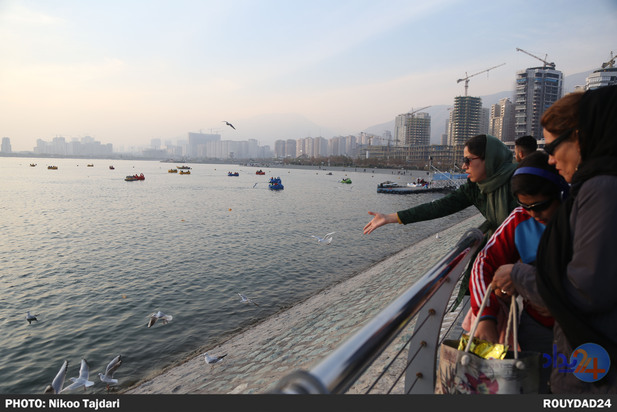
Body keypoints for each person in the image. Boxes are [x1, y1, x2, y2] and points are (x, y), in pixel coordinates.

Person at [492, 86, 617, 393]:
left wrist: (517, 275)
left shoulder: (601, 189)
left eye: (551, 148)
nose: (549, 160)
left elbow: (584, 290)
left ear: (580, 137)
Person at [364, 134, 519, 301]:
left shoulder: (519, 182)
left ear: (488, 159)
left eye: (468, 160)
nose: (463, 166)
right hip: (500, 262)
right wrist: (390, 217)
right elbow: (438, 207)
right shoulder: (475, 188)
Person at [468, 151, 568, 393]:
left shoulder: (583, 219)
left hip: (578, 330)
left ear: (560, 192)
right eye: (526, 206)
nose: (533, 214)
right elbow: (483, 263)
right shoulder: (520, 219)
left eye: (540, 206)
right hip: (536, 328)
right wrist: (486, 316)